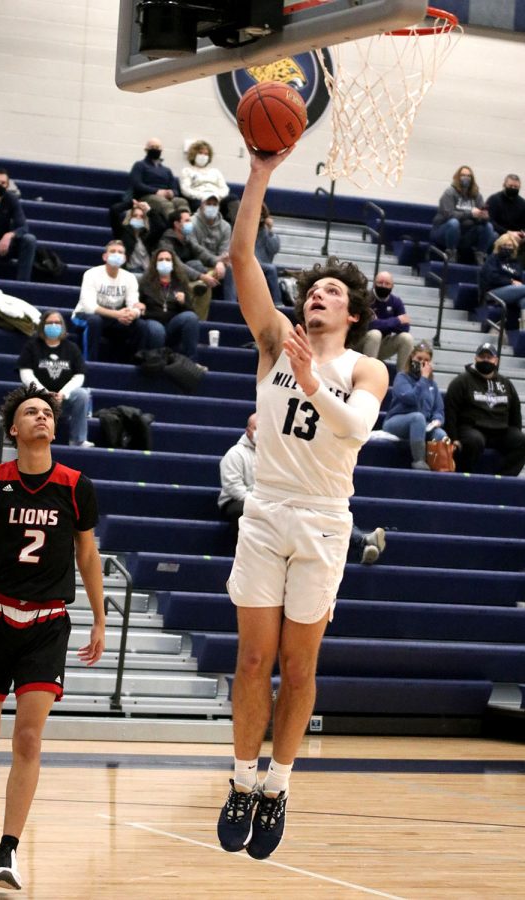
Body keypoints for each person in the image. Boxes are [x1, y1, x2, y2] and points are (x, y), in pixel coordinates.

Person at [216, 146, 388, 861]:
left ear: (350, 314)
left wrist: (313, 381)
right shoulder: (275, 341)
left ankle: (279, 784)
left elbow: (358, 427)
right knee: (253, 662)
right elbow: (240, 257)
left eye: (329, 293)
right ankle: (240, 779)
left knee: (300, 664)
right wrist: (259, 172)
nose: (315, 295)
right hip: (267, 509)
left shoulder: (365, 366)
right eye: (311, 289)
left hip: (323, 518)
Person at [0, 383, 105, 891]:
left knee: (30, 737)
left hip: (46, 624)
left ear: (55, 427)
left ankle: (10, 850)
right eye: (30, 412)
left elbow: (87, 557)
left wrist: (100, 619)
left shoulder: (76, 485)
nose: (40, 416)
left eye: (46, 412)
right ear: (13, 429)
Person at [218, 412, 386, 563]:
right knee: (249, 511)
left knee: (321, 508)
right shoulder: (235, 454)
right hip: (238, 501)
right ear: (248, 430)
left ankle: (362, 544)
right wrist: (261, 501)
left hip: (273, 500)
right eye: (258, 428)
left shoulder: (279, 452)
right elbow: (233, 488)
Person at [72, 240, 163, 362]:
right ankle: (89, 364)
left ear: (125, 258)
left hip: (114, 318)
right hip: (84, 316)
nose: (116, 254)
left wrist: (133, 313)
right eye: (113, 251)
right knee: (95, 321)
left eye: (120, 252)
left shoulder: (129, 278)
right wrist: (118, 314)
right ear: (105, 256)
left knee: (140, 325)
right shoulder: (91, 274)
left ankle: (134, 365)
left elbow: (134, 304)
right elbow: (89, 307)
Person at [444, 342, 525, 476]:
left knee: (521, 441)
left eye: (489, 357)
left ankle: (502, 479)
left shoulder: (506, 383)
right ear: (475, 358)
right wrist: (453, 437)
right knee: (474, 441)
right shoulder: (461, 381)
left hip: (500, 430)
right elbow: (451, 410)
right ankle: (466, 477)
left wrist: (515, 431)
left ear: (496, 360)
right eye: (482, 357)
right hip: (471, 428)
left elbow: (515, 413)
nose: (486, 360)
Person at [18, 310, 94, 448]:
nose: (54, 325)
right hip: (38, 396)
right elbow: (26, 374)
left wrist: (63, 393)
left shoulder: (71, 348)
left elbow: (79, 376)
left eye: (57, 323)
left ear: (62, 326)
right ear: (43, 325)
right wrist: (45, 393)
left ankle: (78, 440)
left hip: (62, 398)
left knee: (82, 395)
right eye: (50, 323)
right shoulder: (32, 346)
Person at [382, 339, 449, 470]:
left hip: (423, 425)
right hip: (397, 421)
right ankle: (419, 461)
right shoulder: (401, 377)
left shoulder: (432, 385)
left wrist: (437, 420)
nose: (422, 362)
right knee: (417, 418)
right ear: (412, 357)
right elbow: (411, 398)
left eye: (426, 360)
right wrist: (423, 379)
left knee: (440, 434)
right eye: (419, 358)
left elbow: (439, 410)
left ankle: (440, 468)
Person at [138, 247, 201, 360]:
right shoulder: (146, 283)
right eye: (161, 260)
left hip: (173, 325)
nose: (164, 262)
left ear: (173, 264)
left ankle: (191, 361)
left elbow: (191, 311)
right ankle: (156, 361)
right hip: (153, 322)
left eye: (168, 260)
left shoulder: (180, 283)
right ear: (155, 264)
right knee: (156, 329)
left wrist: (183, 302)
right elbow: (139, 306)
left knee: (191, 317)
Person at [430, 165, 496, 265]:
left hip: (466, 234)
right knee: (453, 223)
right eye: (463, 175)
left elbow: (481, 216)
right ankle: (451, 252)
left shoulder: (477, 195)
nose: (466, 178)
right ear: (458, 177)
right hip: (444, 231)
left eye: (469, 176)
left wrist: (483, 217)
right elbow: (448, 215)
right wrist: (470, 214)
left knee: (488, 226)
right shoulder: (449, 193)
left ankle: (480, 254)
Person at [359, 271, 414, 372]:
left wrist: (380, 323)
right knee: (375, 334)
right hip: (361, 342)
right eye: (380, 283)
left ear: (392, 286)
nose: (383, 286)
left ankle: (403, 380)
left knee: (407, 338)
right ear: (374, 283)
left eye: (387, 284)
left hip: (382, 345)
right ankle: (368, 375)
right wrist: (396, 320)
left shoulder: (396, 302)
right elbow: (368, 325)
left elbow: (405, 327)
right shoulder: (365, 298)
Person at [129, 137, 189, 222]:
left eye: (157, 147)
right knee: (164, 203)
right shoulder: (139, 165)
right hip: (147, 196)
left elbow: (175, 189)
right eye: (152, 147)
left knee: (181, 201)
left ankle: (186, 223)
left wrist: (171, 193)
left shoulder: (167, 170)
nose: (155, 150)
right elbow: (137, 184)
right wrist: (157, 191)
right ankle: (174, 225)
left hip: (165, 197)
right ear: (146, 150)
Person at [179, 139, 239, 222]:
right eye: (200, 153)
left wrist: (216, 196)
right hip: (199, 199)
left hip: (217, 198)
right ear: (194, 154)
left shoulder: (215, 171)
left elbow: (224, 188)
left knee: (233, 198)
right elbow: (186, 190)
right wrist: (203, 197)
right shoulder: (187, 171)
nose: (203, 156)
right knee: (199, 204)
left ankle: (237, 228)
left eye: (206, 154)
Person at [192, 193, 236, 301]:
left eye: (214, 204)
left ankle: (230, 305)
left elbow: (224, 251)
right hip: (198, 261)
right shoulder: (191, 222)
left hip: (218, 265)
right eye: (208, 204)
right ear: (201, 205)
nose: (211, 207)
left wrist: (221, 262)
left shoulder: (225, 226)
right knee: (195, 264)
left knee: (231, 268)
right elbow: (195, 249)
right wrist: (217, 261)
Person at [479, 233, 525, 330]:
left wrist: (515, 284)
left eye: (510, 246)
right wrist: (511, 281)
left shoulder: (515, 263)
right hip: (492, 292)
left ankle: (523, 329)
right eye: (504, 245)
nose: (507, 248)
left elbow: (520, 280)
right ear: (499, 246)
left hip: (513, 292)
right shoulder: (492, 259)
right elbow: (492, 277)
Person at [114, 200, 165, 273]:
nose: (138, 218)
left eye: (141, 216)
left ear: (144, 219)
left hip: (147, 273)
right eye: (135, 216)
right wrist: (130, 203)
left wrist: (149, 210)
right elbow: (114, 211)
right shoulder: (122, 232)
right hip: (130, 271)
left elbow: (161, 227)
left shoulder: (148, 235)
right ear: (130, 218)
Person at [485, 174, 525, 254]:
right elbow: (489, 221)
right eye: (510, 186)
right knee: (494, 235)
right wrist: (507, 232)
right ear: (504, 185)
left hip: (515, 235)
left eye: (516, 187)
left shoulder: (522, 203)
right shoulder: (494, 199)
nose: (513, 188)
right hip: (498, 232)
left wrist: (522, 234)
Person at [255, 202, 282, 305]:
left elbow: (274, 249)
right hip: (247, 264)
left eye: (261, 214)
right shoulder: (243, 229)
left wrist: (270, 231)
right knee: (271, 268)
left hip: (262, 265)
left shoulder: (266, 232)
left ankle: (278, 303)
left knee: (271, 269)